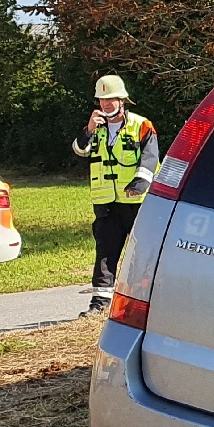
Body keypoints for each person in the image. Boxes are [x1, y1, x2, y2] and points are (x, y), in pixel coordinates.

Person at [75, 75, 160, 313]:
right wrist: (90, 129)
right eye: (102, 100)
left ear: (123, 100)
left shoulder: (141, 125)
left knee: (140, 254)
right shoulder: (95, 128)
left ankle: (138, 304)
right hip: (105, 203)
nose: (106, 104)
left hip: (135, 202)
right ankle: (99, 304)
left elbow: (151, 159)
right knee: (105, 254)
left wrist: (139, 184)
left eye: (111, 99)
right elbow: (80, 150)